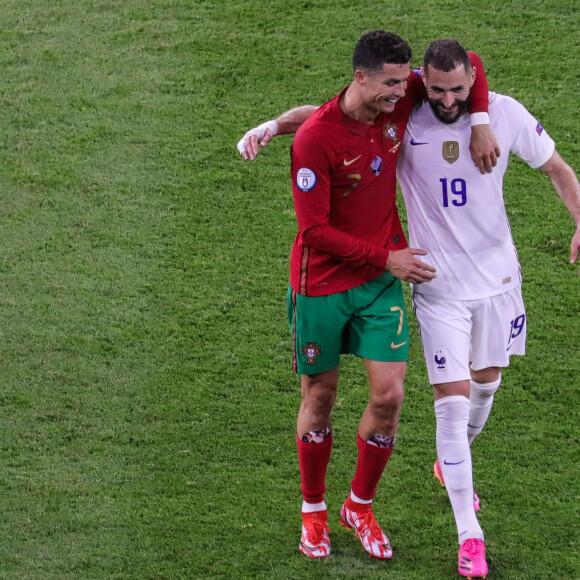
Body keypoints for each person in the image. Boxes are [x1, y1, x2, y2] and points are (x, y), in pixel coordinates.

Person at [238, 39, 580, 578]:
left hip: (416, 283)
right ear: (365, 80)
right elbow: (313, 209)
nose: (418, 93)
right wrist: (273, 126)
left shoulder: (420, 106)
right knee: (331, 396)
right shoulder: (360, 125)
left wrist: (484, 116)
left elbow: (470, 68)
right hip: (358, 284)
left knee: (411, 393)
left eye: (412, 84)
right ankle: (326, 512)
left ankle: (362, 505)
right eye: (401, 84)